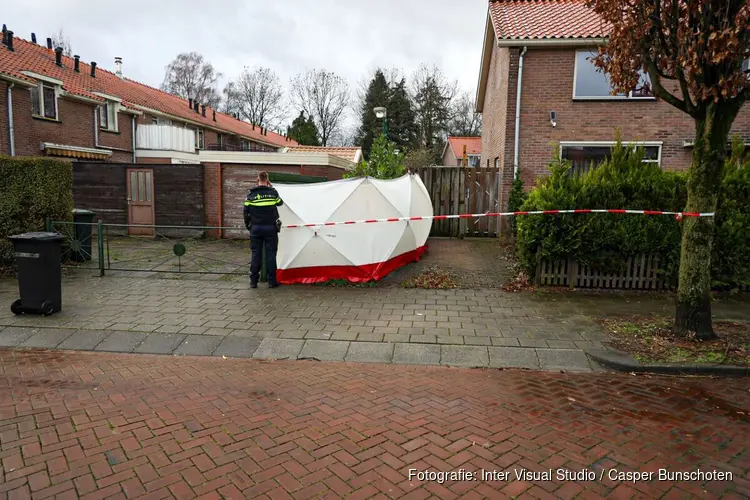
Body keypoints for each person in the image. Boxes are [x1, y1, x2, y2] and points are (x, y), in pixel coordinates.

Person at [243, 171, 283, 288]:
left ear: (257, 179)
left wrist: (248, 226)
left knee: (256, 254)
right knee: (271, 254)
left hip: (256, 228)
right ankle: (272, 282)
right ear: (267, 180)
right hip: (270, 228)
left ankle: (253, 281)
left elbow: (245, 212)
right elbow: (280, 203)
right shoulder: (273, 193)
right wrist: (272, 188)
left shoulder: (250, 195)